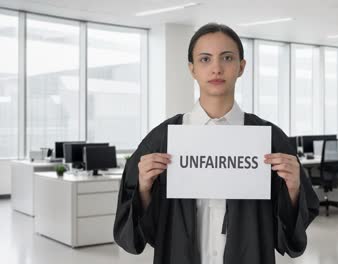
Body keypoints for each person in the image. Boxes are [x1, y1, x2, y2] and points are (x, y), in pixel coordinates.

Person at [113, 23, 320, 264]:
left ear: (241, 67)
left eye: (227, 58)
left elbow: (289, 236)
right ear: (192, 69)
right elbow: (135, 234)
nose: (216, 68)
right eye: (205, 59)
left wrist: (293, 189)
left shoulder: (269, 139)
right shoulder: (163, 139)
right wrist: (144, 189)